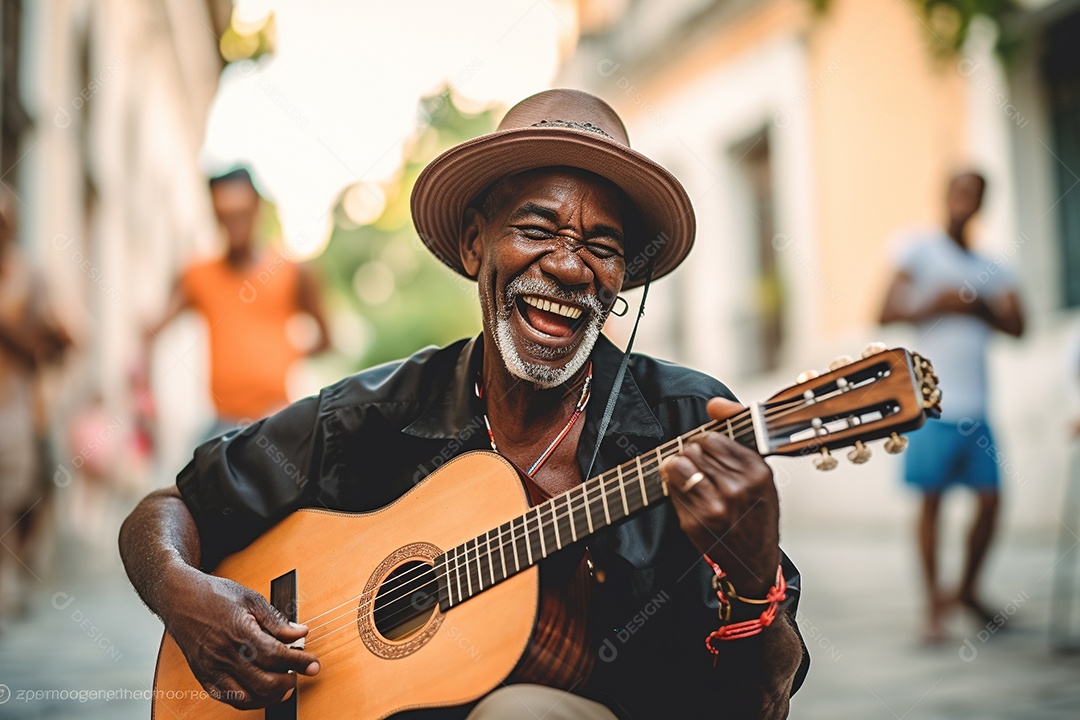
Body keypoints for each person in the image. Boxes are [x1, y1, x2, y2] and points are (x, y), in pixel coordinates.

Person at [120, 89, 808, 719]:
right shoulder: (372, 414)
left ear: (622, 275)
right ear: (476, 242)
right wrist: (183, 594)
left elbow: (761, 706)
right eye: (537, 229)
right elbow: (165, 509)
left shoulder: (688, 428)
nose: (569, 268)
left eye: (601, 247)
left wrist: (754, 581)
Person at [879, 171, 1025, 643]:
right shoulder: (917, 249)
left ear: (983, 203)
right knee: (932, 503)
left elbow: (1021, 325)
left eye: (975, 195)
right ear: (945, 196)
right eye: (960, 192)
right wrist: (934, 303)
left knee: (990, 501)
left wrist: (976, 306)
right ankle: (933, 610)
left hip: (978, 405)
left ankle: (966, 590)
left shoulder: (992, 265)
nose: (965, 202)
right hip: (930, 405)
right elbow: (883, 311)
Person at [142, 167, 330, 437]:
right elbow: (151, 331)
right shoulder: (197, 276)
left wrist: (283, 356)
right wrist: (146, 399)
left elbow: (326, 339)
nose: (234, 225)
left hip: (276, 418)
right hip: (222, 424)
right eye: (224, 215)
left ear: (258, 209)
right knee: (192, 475)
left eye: (241, 213)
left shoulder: (294, 273)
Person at [0, 188, 71, 622]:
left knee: (17, 495)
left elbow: (61, 337)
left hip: (17, 405)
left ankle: (12, 577)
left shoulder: (29, 277)